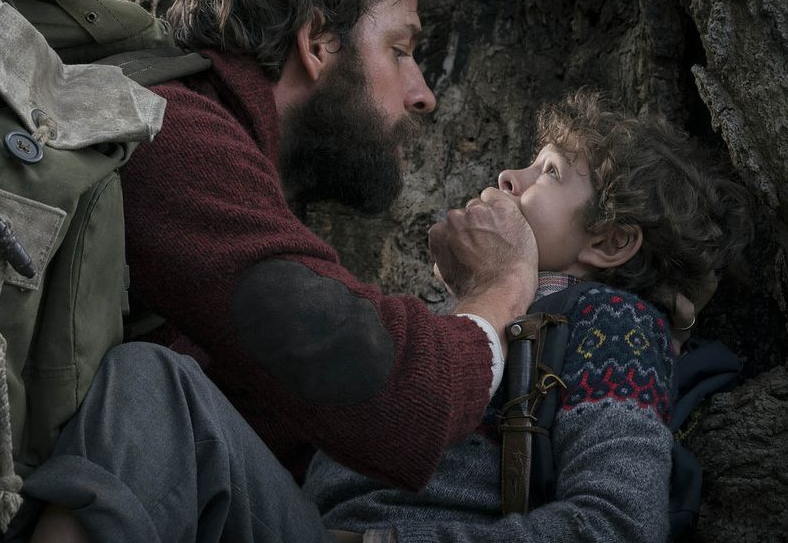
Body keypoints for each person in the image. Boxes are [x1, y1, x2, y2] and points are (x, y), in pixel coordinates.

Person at [5, 0, 540, 542]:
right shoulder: (172, 134)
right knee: (152, 388)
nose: (423, 94)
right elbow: (397, 395)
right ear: (317, 42)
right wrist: (499, 290)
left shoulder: (224, 152)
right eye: (401, 50)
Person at [301, 91, 753, 542]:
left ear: (610, 242)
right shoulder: (474, 315)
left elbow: (618, 526)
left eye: (550, 171)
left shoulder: (613, 323)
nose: (508, 176)